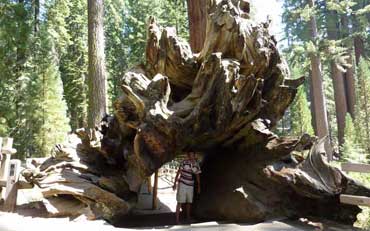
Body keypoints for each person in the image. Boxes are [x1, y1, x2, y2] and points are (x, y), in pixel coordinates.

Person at [172, 152, 201, 224]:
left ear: (194, 156)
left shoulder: (196, 165)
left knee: (189, 202)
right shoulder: (184, 162)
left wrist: (199, 186)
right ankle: (177, 220)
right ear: (188, 156)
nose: (191, 156)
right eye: (190, 155)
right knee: (180, 202)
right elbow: (178, 172)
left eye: (192, 155)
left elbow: (197, 175)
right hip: (182, 184)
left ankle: (188, 218)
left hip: (190, 185)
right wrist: (175, 183)